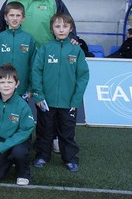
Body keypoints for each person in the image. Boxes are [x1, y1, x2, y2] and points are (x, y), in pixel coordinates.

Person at [32, 13, 89, 172]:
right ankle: (43, 156)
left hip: (68, 101)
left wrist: (76, 100)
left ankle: (70, 158)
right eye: (57, 26)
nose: (61, 29)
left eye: (65, 26)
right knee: (45, 130)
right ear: (52, 29)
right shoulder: (45, 49)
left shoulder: (76, 51)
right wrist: (38, 95)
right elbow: (36, 72)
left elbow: (83, 77)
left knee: (67, 132)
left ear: (71, 28)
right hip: (46, 101)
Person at [0, 64, 35, 185]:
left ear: (17, 84)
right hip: (1, 141)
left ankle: (23, 172)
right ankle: (9, 160)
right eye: (2, 82)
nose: (6, 85)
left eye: (10, 82)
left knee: (18, 152)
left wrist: (5, 145)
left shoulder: (22, 105)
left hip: (18, 142)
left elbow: (26, 129)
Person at [0, 2, 36, 99]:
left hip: (21, 89)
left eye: (18, 15)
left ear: (23, 18)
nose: (15, 18)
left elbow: (33, 66)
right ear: (5, 17)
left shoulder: (29, 39)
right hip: (0, 88)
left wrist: (30, 88)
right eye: (11, 15)